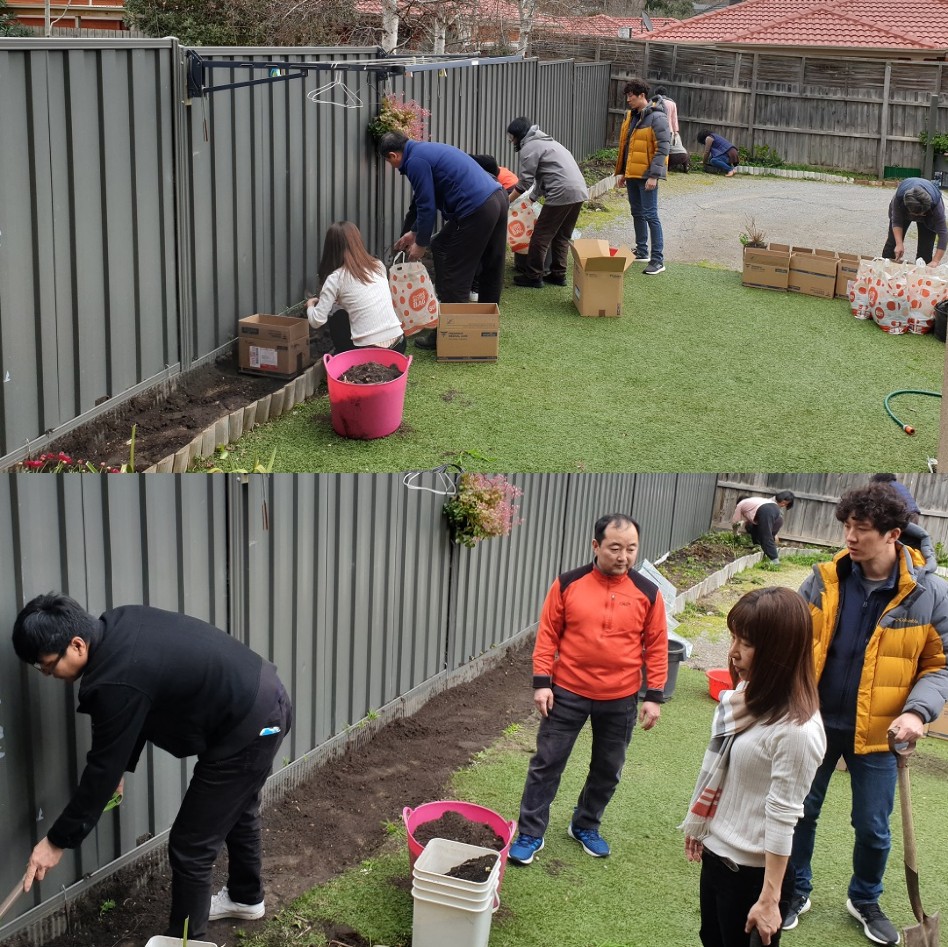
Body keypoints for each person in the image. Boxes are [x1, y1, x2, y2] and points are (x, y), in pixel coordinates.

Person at [12, 594, 293, 942]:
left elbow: (99, 771)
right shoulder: (119, 626)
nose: (47, 674)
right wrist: (120, 767)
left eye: (48, 665)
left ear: (77, 644)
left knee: (190, 844)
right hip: (263, 700)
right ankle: (246, 898)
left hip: (251, 724)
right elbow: (141, 707)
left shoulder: (114, 680)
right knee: (238, 809)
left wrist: (55, 842)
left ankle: (184, 940)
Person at [783, 483, 948, 945]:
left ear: (893, 534)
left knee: (873, 827)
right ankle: (795, 891)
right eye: (847, 528)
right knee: (799, 813)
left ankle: (865, 898)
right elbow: (791, 636)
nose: (850, 538)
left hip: (882, 732)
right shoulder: (823, 580)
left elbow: (941, 665)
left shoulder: (928, 594)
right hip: (812, 721)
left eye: (862, 530)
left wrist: (918, 713)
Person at [507, 513, 668, 866]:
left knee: (608, 768)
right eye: (614, 548)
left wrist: (654, 696)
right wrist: (541, 684)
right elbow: (547, 634)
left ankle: (585, 824)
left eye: (630, 549)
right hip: (567, 692)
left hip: (621, 698)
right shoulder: (568, 583)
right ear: (596, 546)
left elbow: (656, 646)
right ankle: (531, 832)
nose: (623, 556)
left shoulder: (648, 593)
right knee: (546, 763)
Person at [682, 587, 825, 947]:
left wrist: (770, 900)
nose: (732, 652)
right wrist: (705, 825)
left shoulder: (796, 730)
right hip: (718, 857)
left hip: (751, 877)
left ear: (779, 651)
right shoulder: (749, 698)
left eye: (745, 643)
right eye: (734, 637)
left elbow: (783, 816)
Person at [378, 131, 508, 349]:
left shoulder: (415, 162)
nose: (392, 166)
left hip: (476, 208)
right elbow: (425, 200)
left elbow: (427, 206)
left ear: (393, 155)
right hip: (496, 198)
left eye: (388, 162)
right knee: (491, 264)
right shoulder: (424, 151)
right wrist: (414, 232)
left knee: (454, 266)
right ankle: (485, 329)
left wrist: (420, 243)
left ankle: (450, 335)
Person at [505, 117, 589, 288]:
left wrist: (506, 202)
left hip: (561, 192)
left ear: (519, 135)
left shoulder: (529, 147)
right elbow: (544, 176)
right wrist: (532, 198)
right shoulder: (548, 142)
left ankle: (533, 276)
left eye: (512, 136)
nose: (511, 140)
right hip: (579, 190)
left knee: (540, 236)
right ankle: (559, 274)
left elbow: (525, 182)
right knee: (562, 235)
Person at [305, 221, 406, 354]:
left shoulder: (335, 278)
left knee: (337, 315)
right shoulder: (378, 265)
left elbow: (317, 321)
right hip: (399, 344)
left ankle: (343, 354)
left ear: (330, 248)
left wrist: (310, 306)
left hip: (370, 352)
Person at [614, 77, 671, 275]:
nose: (628, 100)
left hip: (648, 176)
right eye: (627, 96)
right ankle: (642, 251)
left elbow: (663, 148)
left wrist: (654, 176)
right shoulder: (631, 116)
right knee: (636, 213)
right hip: (633, 175)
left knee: (651, 215)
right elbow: (627, 147)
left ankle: (658, 260)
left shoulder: (657, 117)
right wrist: (623, 173)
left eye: (631, 96)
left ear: (642, 96)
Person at [882, 177, 946, 266]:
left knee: (925, 252)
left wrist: (936, 261)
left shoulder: (936, 206)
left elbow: (943, 233)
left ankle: (920, 276)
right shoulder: (899, 199)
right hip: (904, 208)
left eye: (921, 214)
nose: (917, 217)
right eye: (914, 215)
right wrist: (899, 244)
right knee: (892, 245)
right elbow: (896, 221)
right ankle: (884, 271)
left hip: (928, 214)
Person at [731, 491, 795, 564]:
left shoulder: (741, 504)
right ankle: (759, 548)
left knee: (766, 536)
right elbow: (750, 521)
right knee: (759, 531)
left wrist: (735, 534)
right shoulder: (754, 502)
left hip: (768, 511)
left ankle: (775, 561)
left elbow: (735, 522)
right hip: (776, 514)